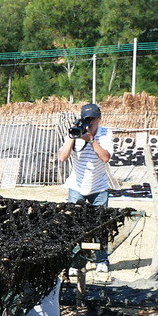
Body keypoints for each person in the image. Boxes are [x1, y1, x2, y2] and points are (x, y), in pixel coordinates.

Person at [58, 102, 114, 274]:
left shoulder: (106, 133)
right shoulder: (76, 131)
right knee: (75, 226)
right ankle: (75, 263)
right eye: (86, 119)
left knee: (100, 225)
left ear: (99, 118)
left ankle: (101, 260)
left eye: (92, 119)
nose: (89, 123)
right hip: (77, 186)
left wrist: (91, 140)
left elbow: (105, 157)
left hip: (98, 187)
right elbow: (62, 157)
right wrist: (73, 137)